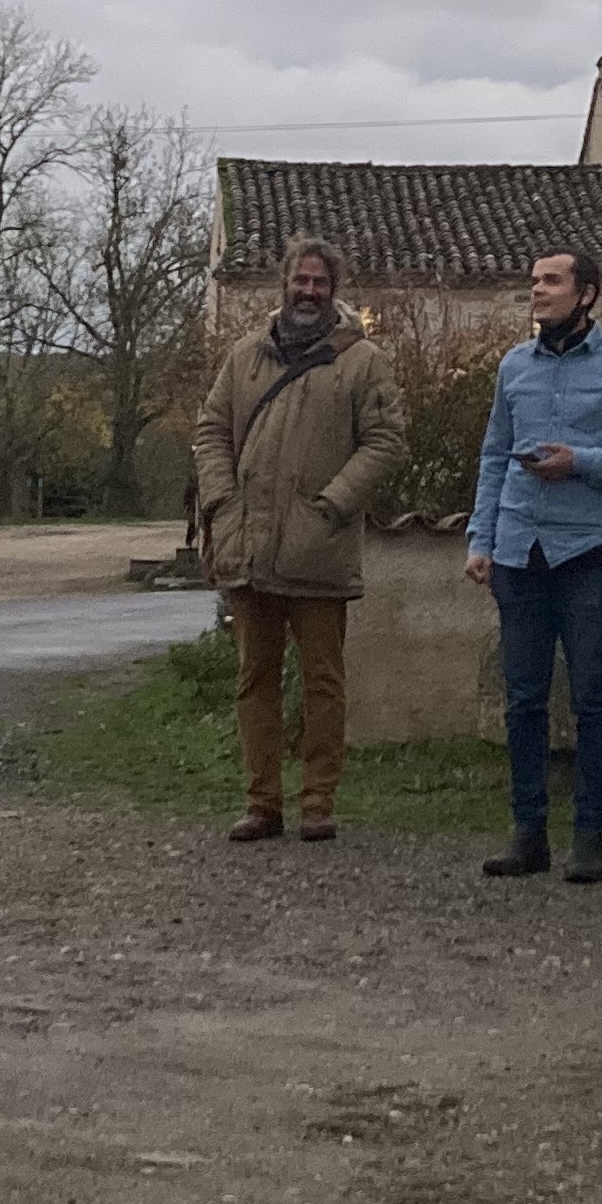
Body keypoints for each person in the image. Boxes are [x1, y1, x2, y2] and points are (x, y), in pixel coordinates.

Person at [463, 245, 602, 885]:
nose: (538, 291)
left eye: (551, 281)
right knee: (522, 700)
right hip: (518, 553)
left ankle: (589, 840)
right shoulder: (513, 367)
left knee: (592, 699)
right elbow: (494, 455)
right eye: (533, 281)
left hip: (588, 556)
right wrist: (480, 537)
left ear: (586, 294)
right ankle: (529, 835)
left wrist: (580, 461)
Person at [191, 236, 408, 844]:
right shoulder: (244, 357)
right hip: (250, 547)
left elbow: (386, 442)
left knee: (323, 682)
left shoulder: (363, 361)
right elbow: (210, 430)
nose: (308, 290)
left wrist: (333, 504)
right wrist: (221, 500)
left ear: (334, 290)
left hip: (319, 550)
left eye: (319, 282)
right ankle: (262, 802)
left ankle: (318, 803)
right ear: (283, 286)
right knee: (253, 679)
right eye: (299, 280)